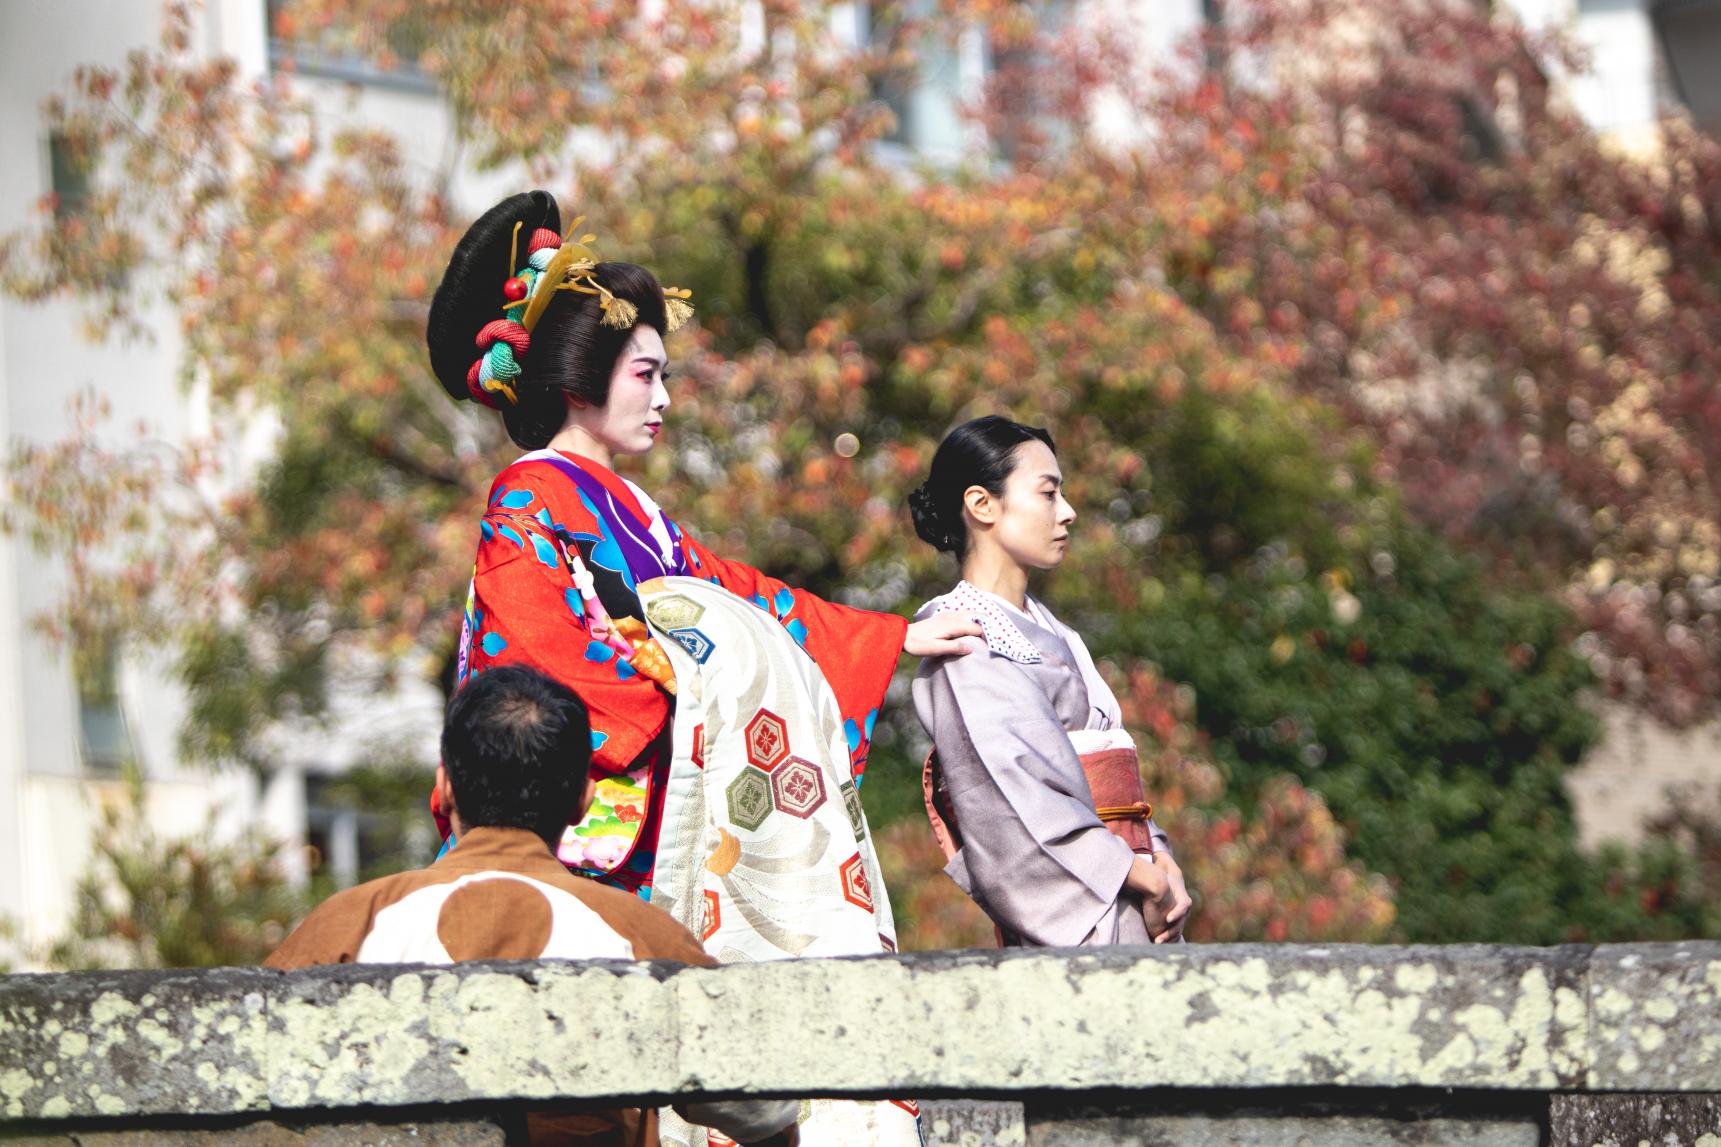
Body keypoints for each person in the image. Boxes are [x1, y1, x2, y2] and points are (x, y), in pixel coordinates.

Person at [425, 191, 967, 1145]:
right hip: (592, 827)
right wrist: (681, 687)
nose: (665, 398)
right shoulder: (529, 499)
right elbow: (536, 660)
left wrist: (884, 639)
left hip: (659, 804)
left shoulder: (635, 513)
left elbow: (744, 599)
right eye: (647, 372)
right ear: (582, 377)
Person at [265, 666, 799, 1147]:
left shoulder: (348, 924)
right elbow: (766, 1120)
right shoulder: (644, 937)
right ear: (582, 801)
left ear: (445, 787)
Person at [907, 416, 1195, 947]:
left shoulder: (1054, 631)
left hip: (1137, 888)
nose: (1068, 512)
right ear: (982, 504)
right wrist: (1137, 874)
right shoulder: (963, 640)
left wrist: (1162, 858)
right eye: (1048, 493)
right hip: (1086, 905)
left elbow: (1119, 779)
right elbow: (1010, 805)